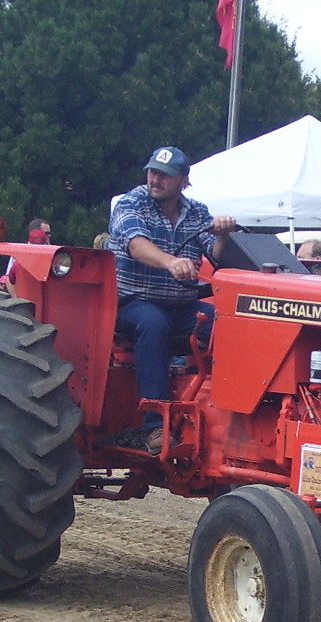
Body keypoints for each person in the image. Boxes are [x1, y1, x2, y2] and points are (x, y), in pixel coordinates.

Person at [109, 146, 236, 454]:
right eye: (153, 172)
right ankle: (156, 426)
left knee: (230, 327)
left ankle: (228, 414)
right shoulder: (131, 204)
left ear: (183, 181)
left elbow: (215, 255)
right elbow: (136, 245)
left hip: (182, 306)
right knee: (153, 324)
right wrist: (169, 262)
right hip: (133, 303)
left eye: (165, 175)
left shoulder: (196, 212)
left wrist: (222, 234)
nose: (156, 180)